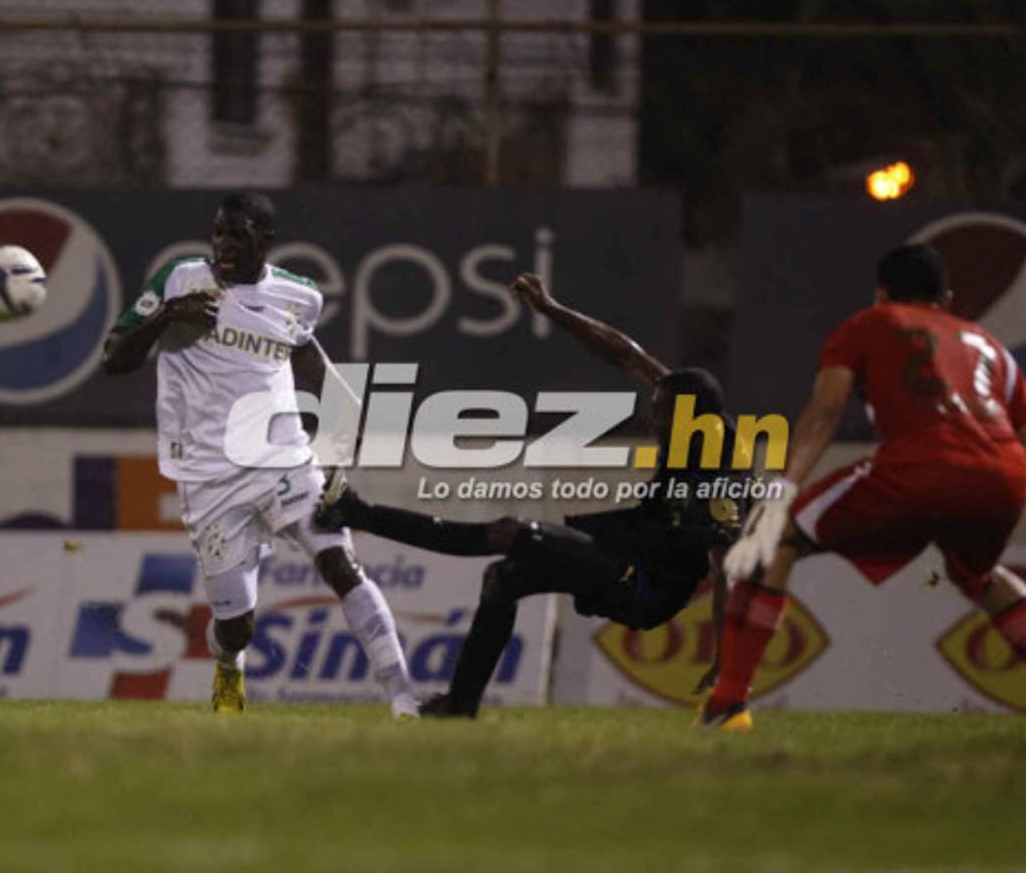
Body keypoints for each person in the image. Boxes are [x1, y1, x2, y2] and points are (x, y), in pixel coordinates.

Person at [314, 273, 747, 717]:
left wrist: (726, 667)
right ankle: (459, 706)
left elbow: (727, 572)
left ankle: (357, 512)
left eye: (662, 416)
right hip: (629, 544)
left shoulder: (723, 473)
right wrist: (552, 309)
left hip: (648, 586)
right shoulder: (688, 406)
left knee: (510, 533)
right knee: (505, 578)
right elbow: (623, 353)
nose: (655, 423)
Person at [712, 244, 1026, 732]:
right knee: (982, 575)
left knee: (778, 540)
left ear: (881, 294)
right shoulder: (993, 350)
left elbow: (825, 412)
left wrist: (781, 494)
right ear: (947, 299)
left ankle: (728, 704)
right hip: (1003, 481)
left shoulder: (869, 324)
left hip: (920, 470)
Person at [101, 192, 418, 718]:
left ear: (265, 240)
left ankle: (405, 700)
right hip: (207, 476)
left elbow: (306, 357)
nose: (223, 245)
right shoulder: (180, 280)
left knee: (341, 565)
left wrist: (344, 425)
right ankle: (229, 665)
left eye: (237, 235)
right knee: (236, 627)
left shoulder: (300, 296)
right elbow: (114, 358)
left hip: (283, 458)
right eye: (217, 233)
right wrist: (168, 317)